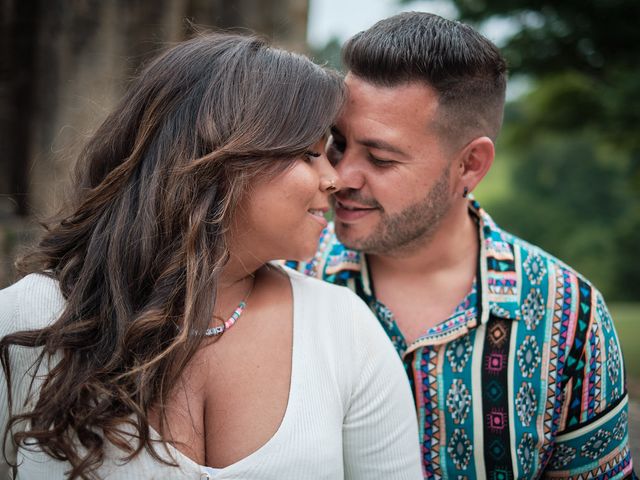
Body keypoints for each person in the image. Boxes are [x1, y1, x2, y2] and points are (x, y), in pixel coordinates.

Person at [0, 32, 423, 479]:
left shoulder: (344, 330)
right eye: (309, 153)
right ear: (221, 159)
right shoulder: (26, 319)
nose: (334, 178)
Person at [289, 12, 635, 479]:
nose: (338, 177)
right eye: (338, 143)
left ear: (471, 165)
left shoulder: (568, 314)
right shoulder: (286, 277)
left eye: (380, 158)